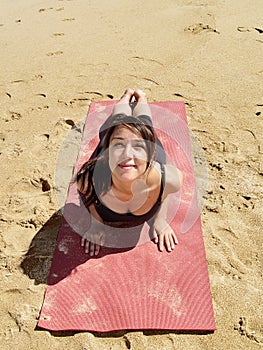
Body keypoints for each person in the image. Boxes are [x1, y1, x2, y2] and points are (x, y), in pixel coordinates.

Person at [76, 88, 183, 256]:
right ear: (107, 150)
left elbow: (166, 191)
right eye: (118, 144)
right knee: (118, 118)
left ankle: (141, 98)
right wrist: (96, 224)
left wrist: (160, 220)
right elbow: (86, 197)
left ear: (149, 153)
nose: (127, 155)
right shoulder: (89, 179)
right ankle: (126, 97)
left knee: (145, 121)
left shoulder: (168, 179)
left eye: (138, 147)